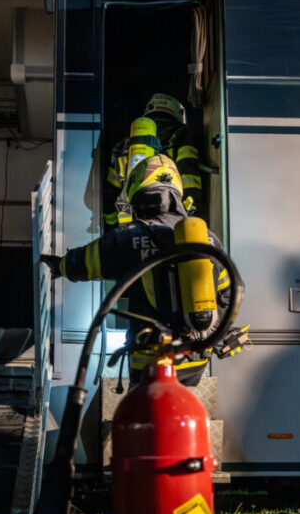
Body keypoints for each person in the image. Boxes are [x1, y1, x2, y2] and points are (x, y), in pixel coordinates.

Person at [43, 154, 235, 386]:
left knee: (145, 409)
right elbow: (230, 292)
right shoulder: (208, 238)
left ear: (139, 194)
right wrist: (211, 333)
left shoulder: (130, 237)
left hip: (151, 360)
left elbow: (87, 262)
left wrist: (60, 266)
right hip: (195, 358)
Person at [103, 93, 204, 229]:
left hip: (132, 222)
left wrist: (113, 223)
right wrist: (193, 213)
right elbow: (189, 175)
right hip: (169, 219)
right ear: (178, 114)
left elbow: (110, 194)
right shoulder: (182, 134)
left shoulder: (126, 144)